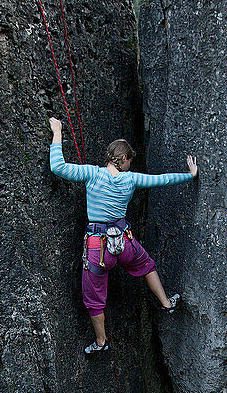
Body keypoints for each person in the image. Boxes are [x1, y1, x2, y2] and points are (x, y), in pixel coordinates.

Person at [48, 116, 198, 356]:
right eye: (130, 160)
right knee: (146, 264)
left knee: (94, 297)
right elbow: (162, 179)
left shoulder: (91, 174)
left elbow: (58, 166)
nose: (131, 164)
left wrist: (57, 131)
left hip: (98, 249)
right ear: (125, 159)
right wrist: (190, 175)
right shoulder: (131, 179)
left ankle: (101, 341)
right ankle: (166, 303)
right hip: (125, 242)